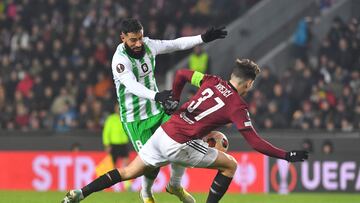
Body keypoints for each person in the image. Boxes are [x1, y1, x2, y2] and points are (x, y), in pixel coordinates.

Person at [62, 58, 308, 203]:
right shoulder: (238, 107)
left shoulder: (212, 80)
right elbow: (254, 141)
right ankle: (175, 186)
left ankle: (79, 194)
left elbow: (181, 74)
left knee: (127, 171)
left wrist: (175, 101)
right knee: (230, 164)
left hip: (164, 131)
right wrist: (286, 156)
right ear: (248, 83)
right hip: (179, 142)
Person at [109, 18, 227, 203]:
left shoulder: (148, 46)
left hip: (158, 110)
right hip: (135, 119)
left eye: (140, 37)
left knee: (184, 139)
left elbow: (176, 44)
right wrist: (156, 96)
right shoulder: (120, 60)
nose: (139, 43)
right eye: (133, 40)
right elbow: (131, 85)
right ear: (122, 38)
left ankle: (175, 184)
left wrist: (202, 38)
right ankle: (146, 193)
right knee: (150, 164)